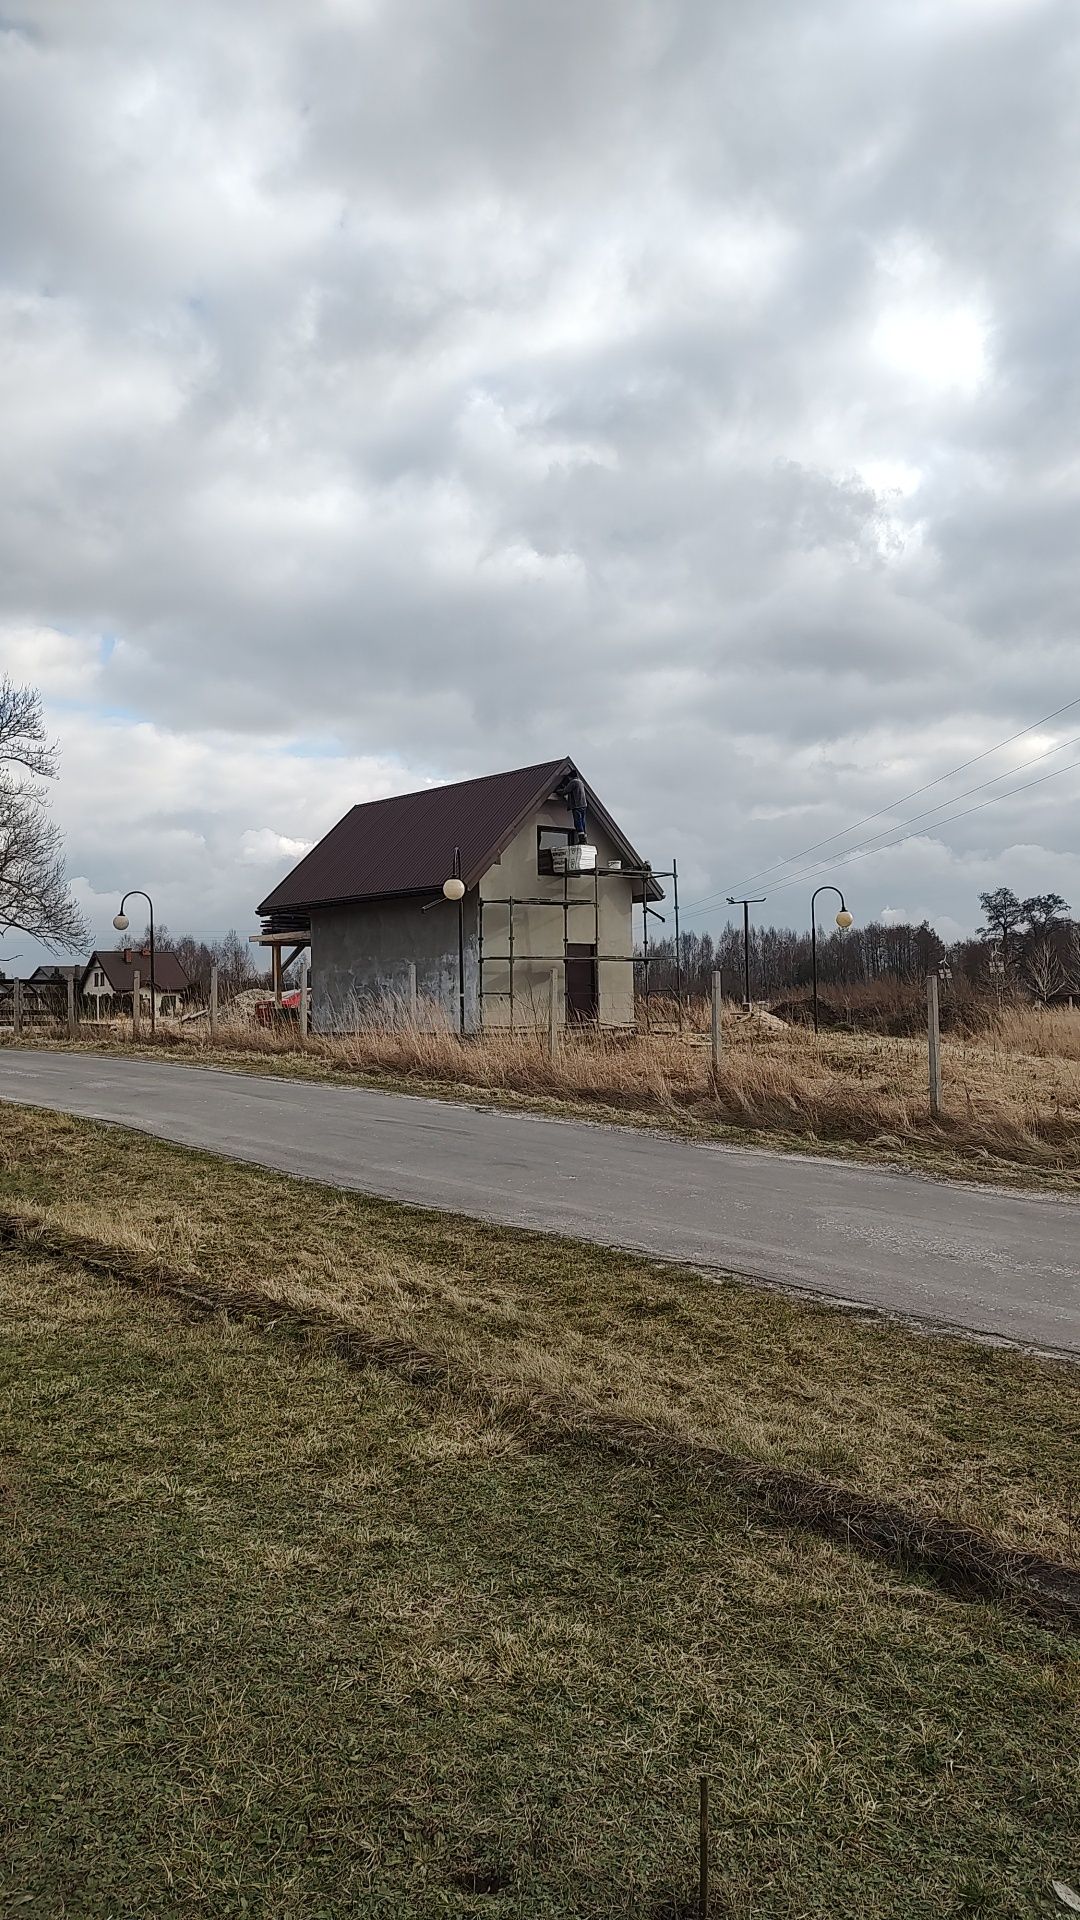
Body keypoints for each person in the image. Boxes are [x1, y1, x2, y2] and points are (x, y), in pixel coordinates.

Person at [565, 771, 588, 842]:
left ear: (570, 777)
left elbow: (565, 790)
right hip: (583, 805)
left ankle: (581, 838)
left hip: (577, 805)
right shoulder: (580, 782)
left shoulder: (573, 782)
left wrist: (560, 790)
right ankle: (584, 837)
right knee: (582, 822)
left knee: (577, 822)